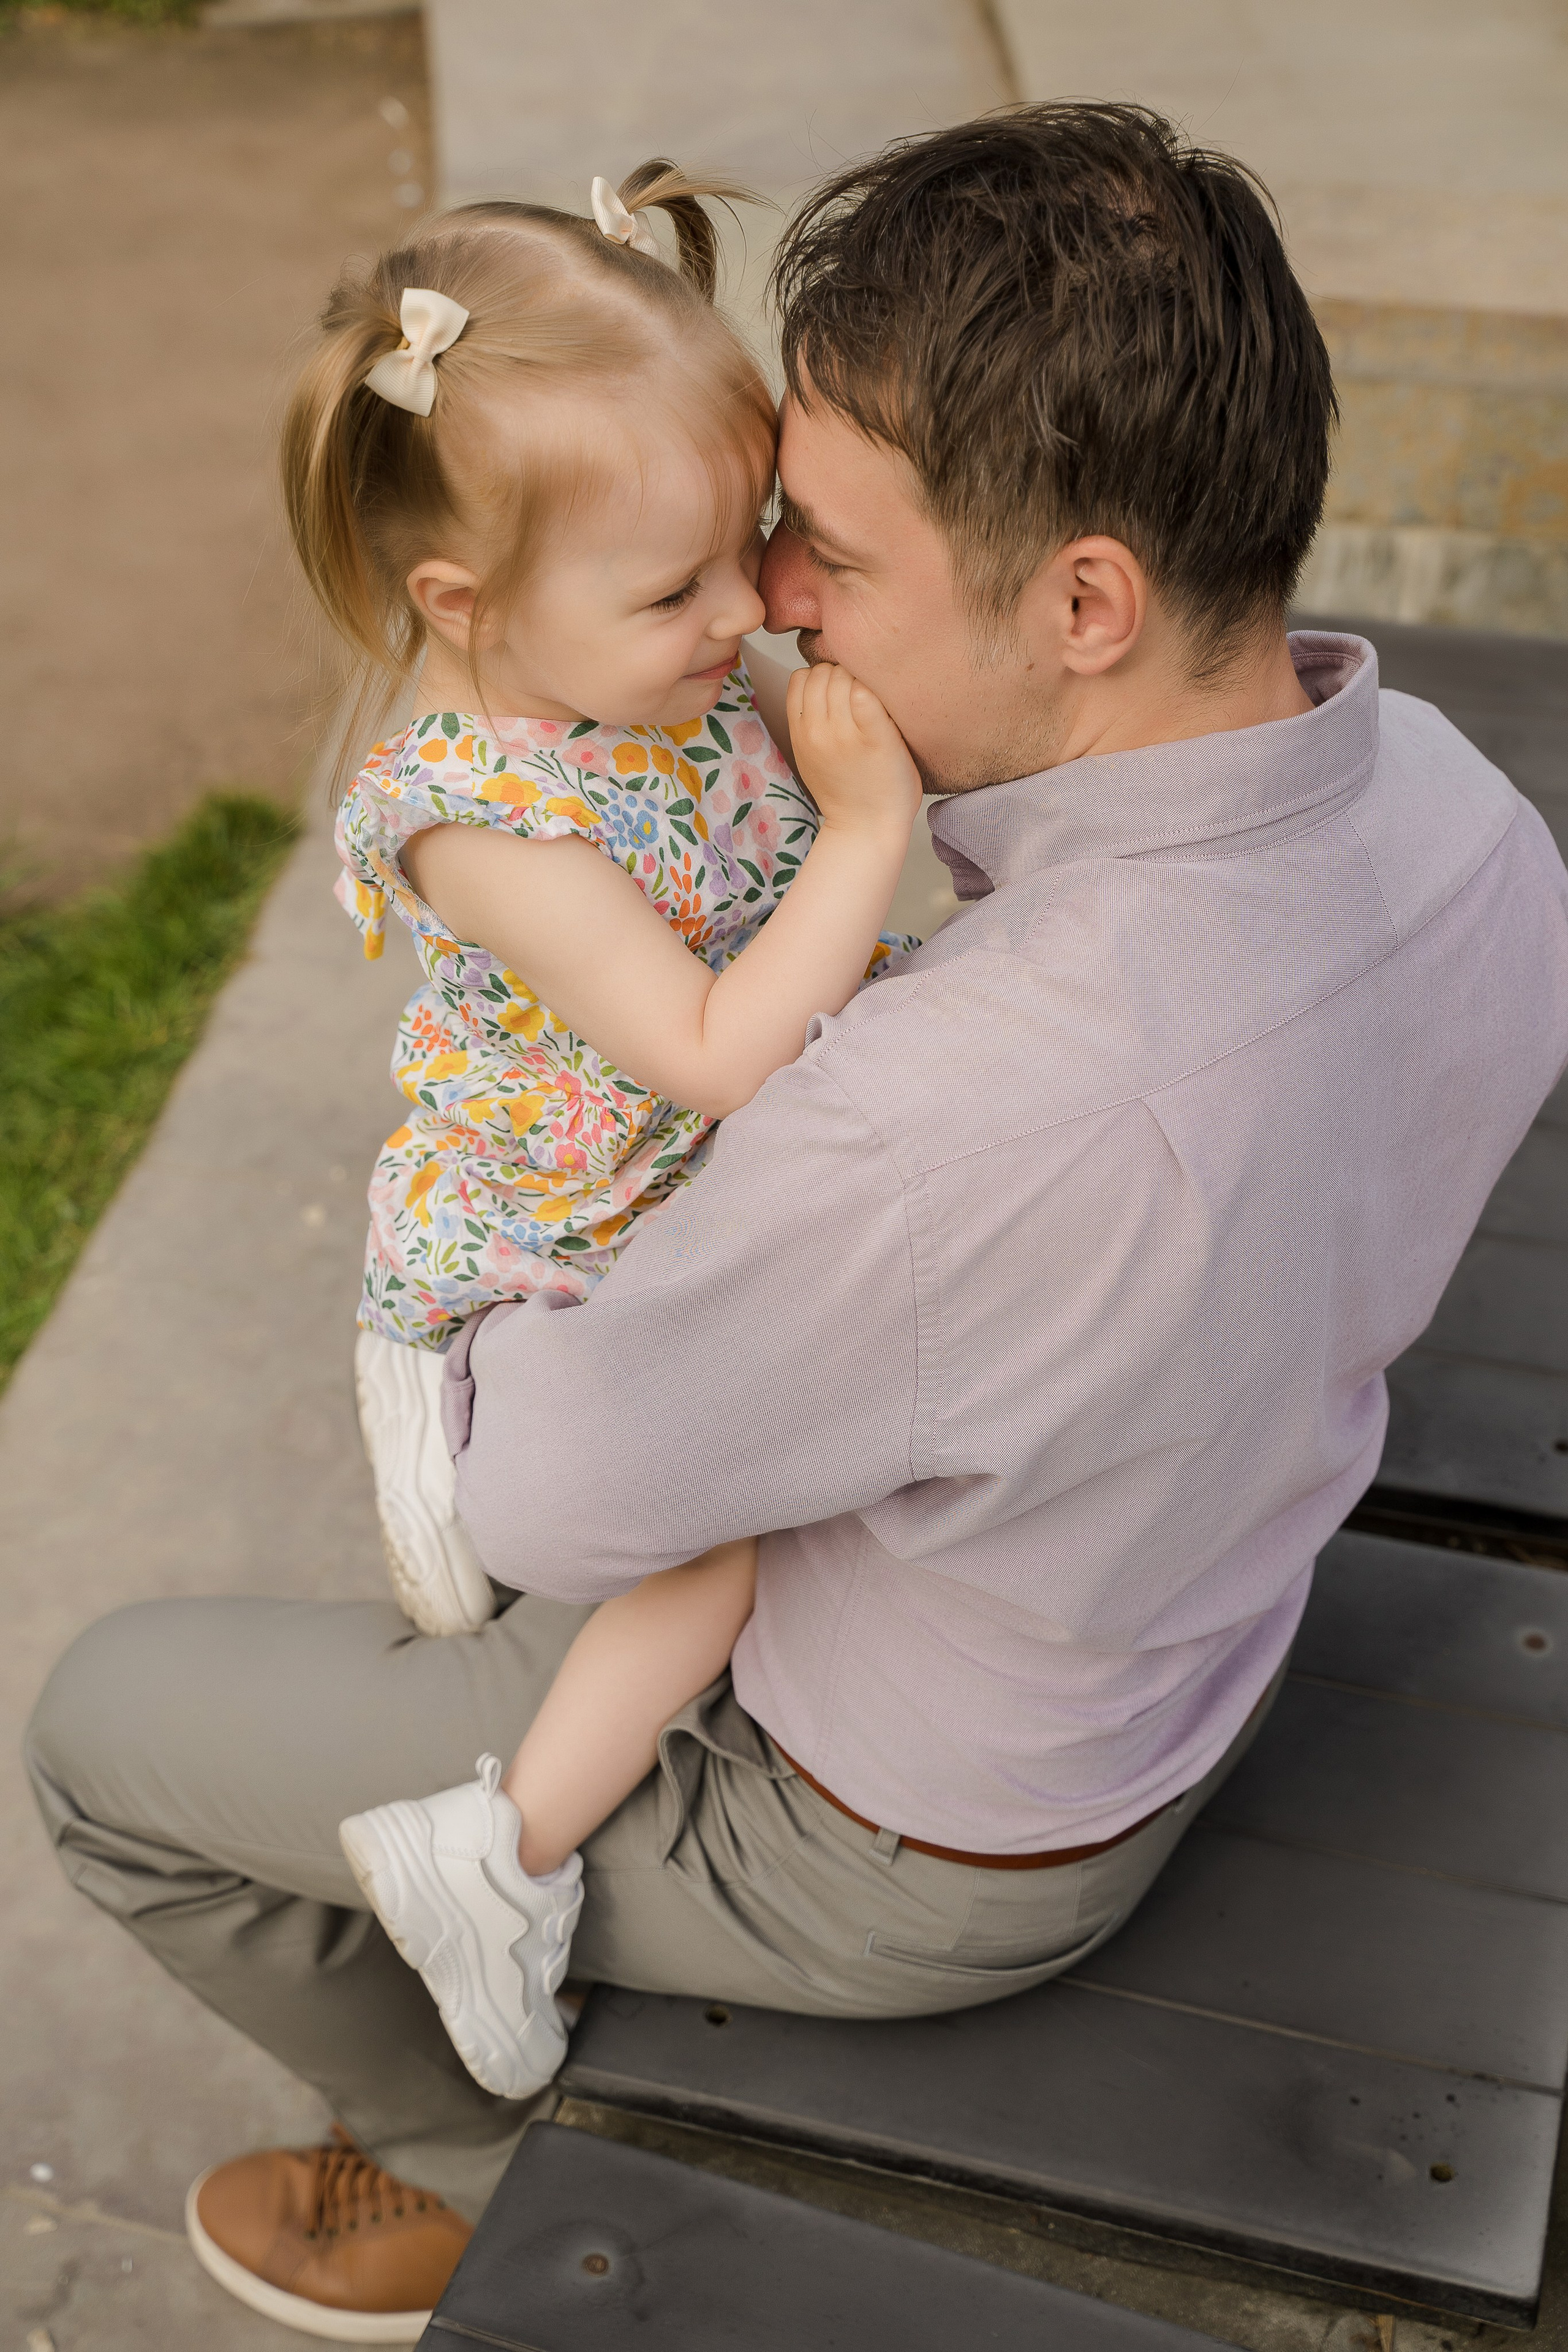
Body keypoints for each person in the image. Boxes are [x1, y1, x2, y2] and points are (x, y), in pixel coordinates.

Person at [27, 102, 1568, 2343]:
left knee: (99, 1737)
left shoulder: (938, 1134)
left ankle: (466, 2178)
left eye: (825, 551)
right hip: (1174, 1617)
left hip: (915, 1846)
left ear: (1086, 601)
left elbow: (547, 1492)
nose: (770, 605)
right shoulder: (1470, 821)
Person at [279, 162, 920, 2116]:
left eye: (757, 550)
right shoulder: (480, 817)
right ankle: (496, 1850)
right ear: (462, 604)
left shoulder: (658, 670)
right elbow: (718, 1048)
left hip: (672, 1176)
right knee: (732, 1547)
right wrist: (874, 834)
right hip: (556, 1202)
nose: (749, 617)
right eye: (681, 590)